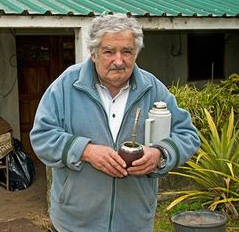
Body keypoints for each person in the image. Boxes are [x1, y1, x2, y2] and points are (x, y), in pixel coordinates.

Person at [29, 14, 200, 232]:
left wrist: (160, 153)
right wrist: (86, 151)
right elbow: (42, 137)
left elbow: (187, 134)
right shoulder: (66, 86)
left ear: (135, 53)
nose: (118, 61)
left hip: (134, 222)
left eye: (126, 51)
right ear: (93, 53)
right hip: (75, 223)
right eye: (109, 51)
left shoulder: (153, 88)